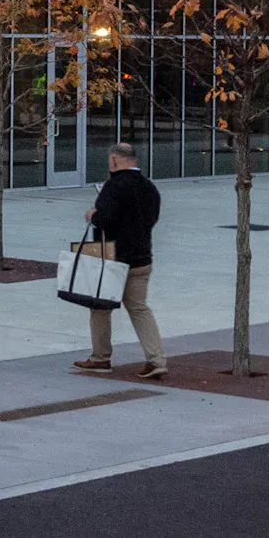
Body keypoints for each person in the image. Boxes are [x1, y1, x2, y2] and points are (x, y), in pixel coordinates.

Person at [75, 142, 167, 379]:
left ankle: (101, 357)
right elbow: (152, 218)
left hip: (112, 259)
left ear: (115, 159)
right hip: (142, 257)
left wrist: (92, 215)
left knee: (100, 306)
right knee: (139, 308)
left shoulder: (114, 186)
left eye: (110, 160)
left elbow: (105, 219)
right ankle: (156, 359)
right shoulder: (149, 188)